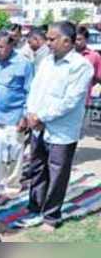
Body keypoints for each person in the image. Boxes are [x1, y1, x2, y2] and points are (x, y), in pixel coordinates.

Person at [21, 21, 94, 232]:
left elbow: (70, 101)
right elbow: (35, 90)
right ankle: (35, 205)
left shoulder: (81, 67)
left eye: (52, 39)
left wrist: (41, 116)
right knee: (37, 168)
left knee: (57, 173)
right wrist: (31, 113)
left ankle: (51, 216)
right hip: (38, 126)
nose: (48, 43)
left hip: (61, 131)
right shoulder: (46, 61)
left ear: (66, 41)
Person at [0, 31, 34, 127]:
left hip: (14, 119)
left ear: (11, 45)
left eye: (1, 47)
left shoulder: (24, 63)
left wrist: (24, 116)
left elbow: (30, 92)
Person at [75, 26, 101, 109]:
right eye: (74, 39)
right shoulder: (66, 55)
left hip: (84, 102)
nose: (76, 42)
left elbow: (98, 77)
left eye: (79, 39)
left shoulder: (94, 56)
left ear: (86, 40)